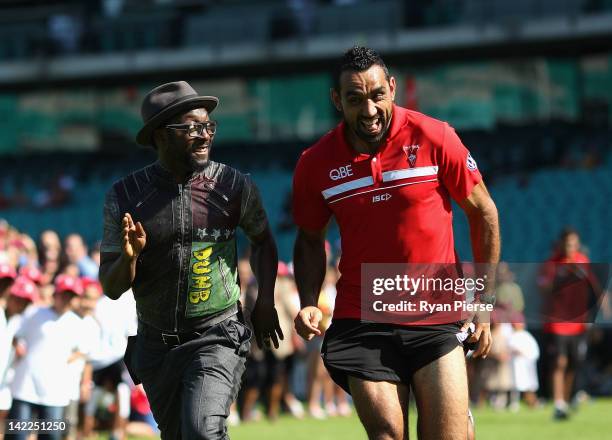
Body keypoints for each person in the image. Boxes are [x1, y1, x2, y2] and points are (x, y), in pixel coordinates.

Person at [292, 47, 500, 440]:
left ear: (392, 88)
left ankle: (460, 421)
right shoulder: (314, 162)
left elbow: (484, 213)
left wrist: (484, 306)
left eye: (376, 96)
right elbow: (308, 238)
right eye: (354, 99)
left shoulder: (435, 136)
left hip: (437, 314)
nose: (369, 110)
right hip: (362, 317)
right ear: (337, 100)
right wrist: (307, 299)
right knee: (388, 434)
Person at [98, 80, 283, 439]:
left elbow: (263, 242)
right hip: (155, 348)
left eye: (208, 126)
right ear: (160, 135)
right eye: (192, 128)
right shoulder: (125, 196)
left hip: (218, 335)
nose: (205, 135)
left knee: (202, 431)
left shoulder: (233, 185)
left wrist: (265, 300)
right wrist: (130, 259)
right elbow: (111, 287)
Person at [538, 228, 606, 420]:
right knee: (559, 361)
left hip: (578, 322)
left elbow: (594, 289)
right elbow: (543, 288)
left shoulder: (583, 261)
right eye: (568, 244)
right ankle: (558, 402)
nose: (571, 248)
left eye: (574, 244)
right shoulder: (552, 264)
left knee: (574, 362)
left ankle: (566, 401)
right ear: (561, 244)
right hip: (557, 322)